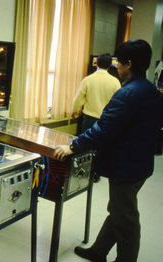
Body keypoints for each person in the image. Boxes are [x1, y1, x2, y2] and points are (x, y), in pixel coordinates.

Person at [54, 39, 162, 262]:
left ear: (129, 63)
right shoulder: (151, 90)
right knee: (119, 209)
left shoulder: (128, 93)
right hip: (141, 163)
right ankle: (98, 250)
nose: (117, 67)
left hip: (126, 166)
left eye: (119, 63)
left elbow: (103, 129)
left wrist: (73, 145)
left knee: (126, 217)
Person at [72, 53, 121, 133]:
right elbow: (118, 103)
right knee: (103, 144)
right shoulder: (115, 82)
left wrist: (74, 111)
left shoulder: (87, 80)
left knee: (87, 143)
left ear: (97, 63)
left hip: (89, 119)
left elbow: (79, 98)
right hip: (106, 119)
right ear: (110, 65)